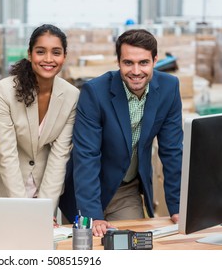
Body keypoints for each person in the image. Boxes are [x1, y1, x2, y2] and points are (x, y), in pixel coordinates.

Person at [59, 29, 183, 236]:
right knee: (87, 252)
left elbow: (172, 152)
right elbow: (86, 155)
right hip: (86, 190)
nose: (136, 71)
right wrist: (91, 214)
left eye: (143, 62)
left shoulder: (169, 88)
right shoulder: (95, 92)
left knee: (132, 249)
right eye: (128, 63)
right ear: (118, 62)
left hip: (126, 190)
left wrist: (179, 208)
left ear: (155, 60)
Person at [0, 24, 79, 222]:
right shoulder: (4, 91)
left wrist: (44, 208)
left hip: (45, 187)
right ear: (29, 54)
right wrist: (23, 208)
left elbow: (60, 156)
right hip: (6, 188)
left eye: (56, 52)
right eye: (41, 52)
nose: (49, 59)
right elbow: (5, 152)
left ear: (64, 56)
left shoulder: (71, 95)